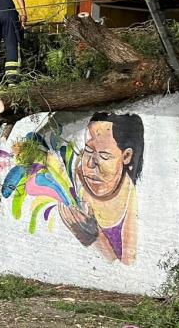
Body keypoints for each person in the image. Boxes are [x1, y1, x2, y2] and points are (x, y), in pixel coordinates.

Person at [58, 113, 143, 265]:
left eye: (104, 155)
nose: (90, 163)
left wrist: (94, 238)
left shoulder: (132, 201)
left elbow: (127, 269)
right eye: (88, 151)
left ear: (126, 156)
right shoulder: (70, 184)